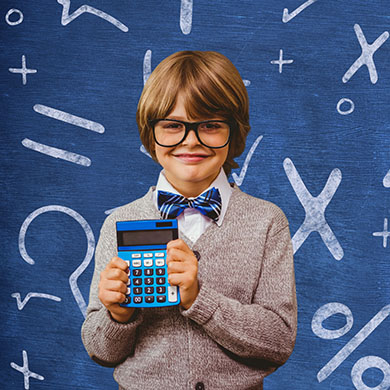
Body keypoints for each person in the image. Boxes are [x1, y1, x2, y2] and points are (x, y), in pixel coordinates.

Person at [81, 50, 297, 390]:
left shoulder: (266, 222)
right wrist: (117, 315)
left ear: (234, 131)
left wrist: (199, 298)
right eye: (172, 126)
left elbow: (279, 341)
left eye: (210, 125)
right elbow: (101, 351)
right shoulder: (121, 222)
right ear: (150, 133)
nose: (191, 140)